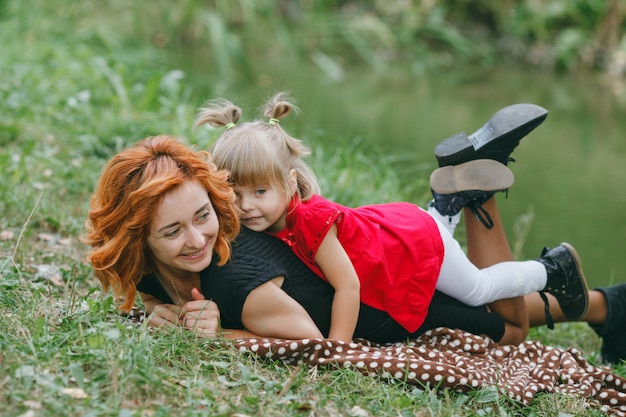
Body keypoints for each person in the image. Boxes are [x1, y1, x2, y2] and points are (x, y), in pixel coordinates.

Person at [82, 124, 625, 365]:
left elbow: (302, 338)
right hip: (381, 282)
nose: (199, 238)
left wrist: (213, 333)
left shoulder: (232, 275)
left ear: (212, 199)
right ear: (139, 242)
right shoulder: (170, 258)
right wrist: (158, 308)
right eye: (173, 232)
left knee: (509, 328)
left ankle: (481, 189)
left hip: (390, 310)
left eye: (203, 216)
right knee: (478, 298)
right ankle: (605, 306)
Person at [193, 92, 588, 343]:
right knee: (449, 258)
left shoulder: (311, 221)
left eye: (259, 192)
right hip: (400, 235)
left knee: (479, 290)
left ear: (290, 183)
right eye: (234, 193)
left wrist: (339, 346)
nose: (246, 206)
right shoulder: (263, 217)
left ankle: (552, 270)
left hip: (417, 245)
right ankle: (446, 206)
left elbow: (347, 286)